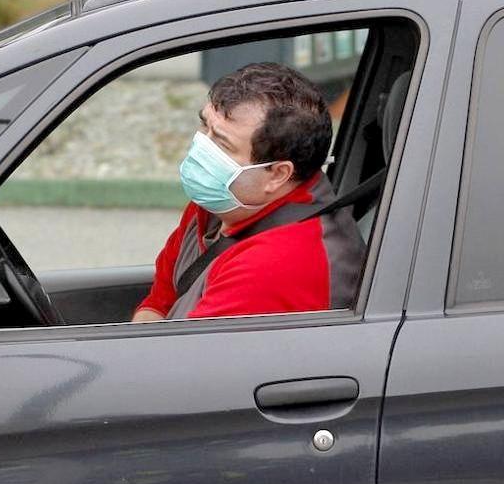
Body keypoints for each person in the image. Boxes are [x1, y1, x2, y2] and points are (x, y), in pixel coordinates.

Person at [134, 62, 367, 322]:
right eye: (204, 125)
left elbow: (181, 356)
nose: (201, 148)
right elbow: (161, 300)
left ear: (277, 175)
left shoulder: (274, 264)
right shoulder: (222, 202)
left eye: (221, 142)